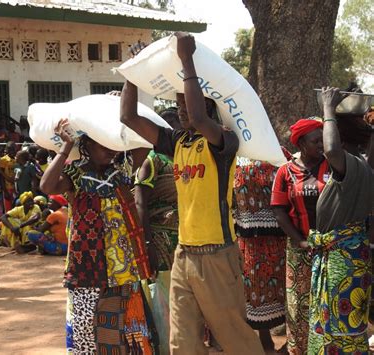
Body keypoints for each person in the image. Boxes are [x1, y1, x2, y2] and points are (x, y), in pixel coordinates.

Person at [120, 32, 264, 354]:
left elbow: (199, 119)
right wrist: (131, 74)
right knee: (182, 341)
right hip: (184, 254)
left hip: (216, 255)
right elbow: (127, 117)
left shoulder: (224, 143)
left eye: (186, 101)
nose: (181, 108)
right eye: (177, 103)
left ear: (207, 104)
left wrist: (187, 60)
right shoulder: (177, 143)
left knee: (235, 339)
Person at [40, 121, 154, 354]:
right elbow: (47, 185)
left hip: (124, 268)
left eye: (112, 143)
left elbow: (144, 145)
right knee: (86, 331)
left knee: (126, 331)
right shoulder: (75, 173)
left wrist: (120, 117)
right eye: (103, 143)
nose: (110, 149)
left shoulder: (121, 171)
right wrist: (65, 147)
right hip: (86, 269)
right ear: (87, 145)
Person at [306, 87, 374, 354]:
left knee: (336, 328)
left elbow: (332, 150)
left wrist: (328, 109)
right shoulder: (365, 168)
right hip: (350, 261)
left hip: (341, 265)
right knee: (346, 328)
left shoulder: (352, 166)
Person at [271, 117, 329, 354]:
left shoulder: (332, 166)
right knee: (298, 307)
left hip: (329, 248)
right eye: (316, 141)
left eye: (323, 139)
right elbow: (279, 210)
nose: (322, 145)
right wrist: (300, 240)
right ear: (302, 143)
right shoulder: (286, 172)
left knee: (326, 305)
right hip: (299, 250)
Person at [134, 108, 180, 354]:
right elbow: (140, 202)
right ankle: (164, 345)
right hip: (161, 239)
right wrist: (147, 244)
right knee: (162, 296)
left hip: (184, 237)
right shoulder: (153, 160)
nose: (172, 129)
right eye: (167, 124)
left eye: (175, 123)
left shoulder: (184, 158)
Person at [233, 158, 287, 352]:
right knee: (255, 289)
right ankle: (265, 342)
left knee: (284, 287)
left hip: (281, 236)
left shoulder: (279, 155)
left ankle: (291, 341)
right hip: (250, 240)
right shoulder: (234, 157)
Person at [0, 141, 17, 211]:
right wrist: (5, 190)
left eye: (14, 149)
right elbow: (1, 176)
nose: (12, 151)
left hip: (16, 188)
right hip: (7, 187)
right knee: (8, 209)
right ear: (6, 150)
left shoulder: (17, 159)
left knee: (16, 207)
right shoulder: (3, 160)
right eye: (10, 149)